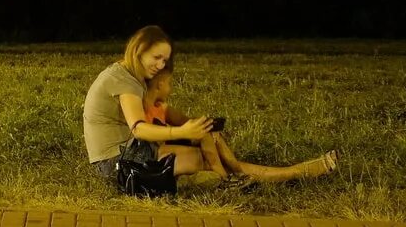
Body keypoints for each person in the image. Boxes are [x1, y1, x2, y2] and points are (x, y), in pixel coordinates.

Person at [83, 25, 338, 190]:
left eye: (166, 60)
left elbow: (168, 117)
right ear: (138, 51)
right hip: (118, 163)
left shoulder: (132, 77)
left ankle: (250, 174)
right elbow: (138, 129)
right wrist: (181, 133)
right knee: (209, 160)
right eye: (157, 58)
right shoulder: (125, 81)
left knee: (211, 143)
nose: (161, 65)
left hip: (136, 152)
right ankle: (294, 173)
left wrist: (195, 127)